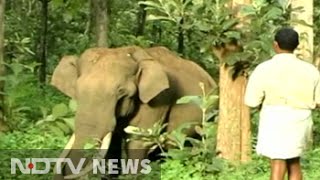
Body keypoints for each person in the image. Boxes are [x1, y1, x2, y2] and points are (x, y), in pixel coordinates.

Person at [244, 27, 320, 180]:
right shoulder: (310, 70)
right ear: (296, 45)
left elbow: (251, 101)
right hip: (301, 118)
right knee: (294, 161)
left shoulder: (263, 69)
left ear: (275, 45)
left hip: (274, 117)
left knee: (277, 162)